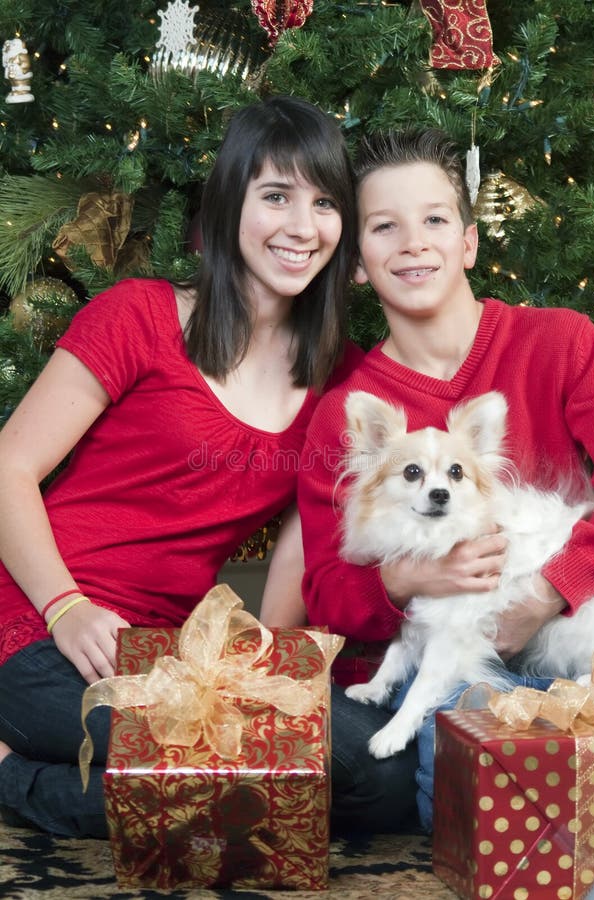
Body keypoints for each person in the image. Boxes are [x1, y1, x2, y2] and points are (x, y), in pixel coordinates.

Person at [0, 94, 364, 838]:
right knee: (219, 786)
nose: (302, 227)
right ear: (231, 202)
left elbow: (302, 543)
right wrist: (66, 609)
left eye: (325, 203)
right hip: (36, 619)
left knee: (315, 775)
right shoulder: (138, 315)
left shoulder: (340, 376)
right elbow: (8, 466)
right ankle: (11, 775)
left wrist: (269, 678)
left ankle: (32, 768)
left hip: (167, 653)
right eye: (276, 196)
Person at [287, 127, 594, 834]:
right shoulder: (348, 412)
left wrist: (553, 588)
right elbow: (326, 593)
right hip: (453, 668)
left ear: (467, 242)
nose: (413, 242)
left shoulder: (561, 342)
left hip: (577, 634)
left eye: (434, 219)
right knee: (481, 814)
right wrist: (407, 580)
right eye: (384, 227)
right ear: (359, 262)